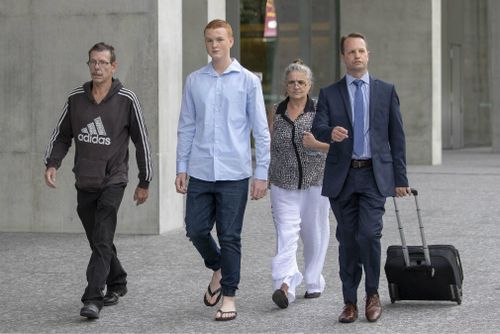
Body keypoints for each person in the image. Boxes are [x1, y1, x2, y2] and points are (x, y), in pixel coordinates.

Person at [43, 42, 153, 320]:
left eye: (103, 62)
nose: (98, 67)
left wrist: (145, 180)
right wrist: (52, 163)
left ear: (113, 66)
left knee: (102, 237)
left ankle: (93, 298)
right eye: (93, 62)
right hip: (85, 180)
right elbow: (62, 135)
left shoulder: (127, 98)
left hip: (113, 180)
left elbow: (143, 142)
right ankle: (118, 281)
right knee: (98, 239)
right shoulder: (76, 99)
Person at [175, 19, 270, 322]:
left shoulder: (247, 81)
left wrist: (261, 173)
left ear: (230, 41)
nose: (214, 45)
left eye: (219, 39)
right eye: (209, 40)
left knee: (230, 236)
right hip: (201, 170)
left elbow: (260, 129)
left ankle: (228, 296)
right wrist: (181, 166)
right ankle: (218, 266)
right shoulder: (194, 81)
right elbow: (186, 126)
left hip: (234, 172)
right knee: (195, 229)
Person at [311, 32, 411, 323]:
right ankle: (349, 302)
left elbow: (397, 137)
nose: (357, 56)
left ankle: (372, 294)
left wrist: (400, 177)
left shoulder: (385, 91)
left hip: (374, 175)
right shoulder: (330, 93)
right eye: (351, 51)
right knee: (348, 241)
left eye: (361, 51)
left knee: (369, 235)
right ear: (344, 57)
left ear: (368, 55)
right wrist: (330, 132)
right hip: (343, 177)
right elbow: (317, 128)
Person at [268, 60, 330, 309]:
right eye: (292, 82)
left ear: (309, 85)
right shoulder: (275, 111)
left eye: (301, 82)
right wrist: (263, 177)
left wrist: (316, 144)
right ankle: (285, 286)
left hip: (316, 183)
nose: (296, 86)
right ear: (285, 85)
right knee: (286, 233)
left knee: (314, 235)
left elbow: (338, 146)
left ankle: (314, 281)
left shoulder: (321, 111)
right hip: (282, 184)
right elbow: (267, 145)